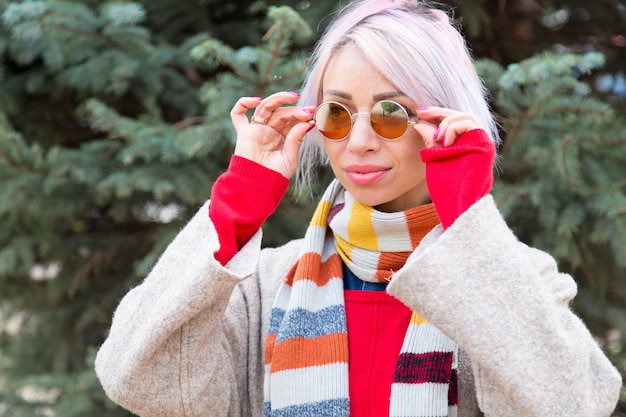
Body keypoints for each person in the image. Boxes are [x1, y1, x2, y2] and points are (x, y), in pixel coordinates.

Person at [95, 0, 621, 416]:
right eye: (338, 112)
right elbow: (135, 377)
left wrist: (466, 220)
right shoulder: (264, 286)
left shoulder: (516, 278)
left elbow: (572, 404)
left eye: (392, 112)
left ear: (446, 119)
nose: (360, 140)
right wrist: (236, 204)